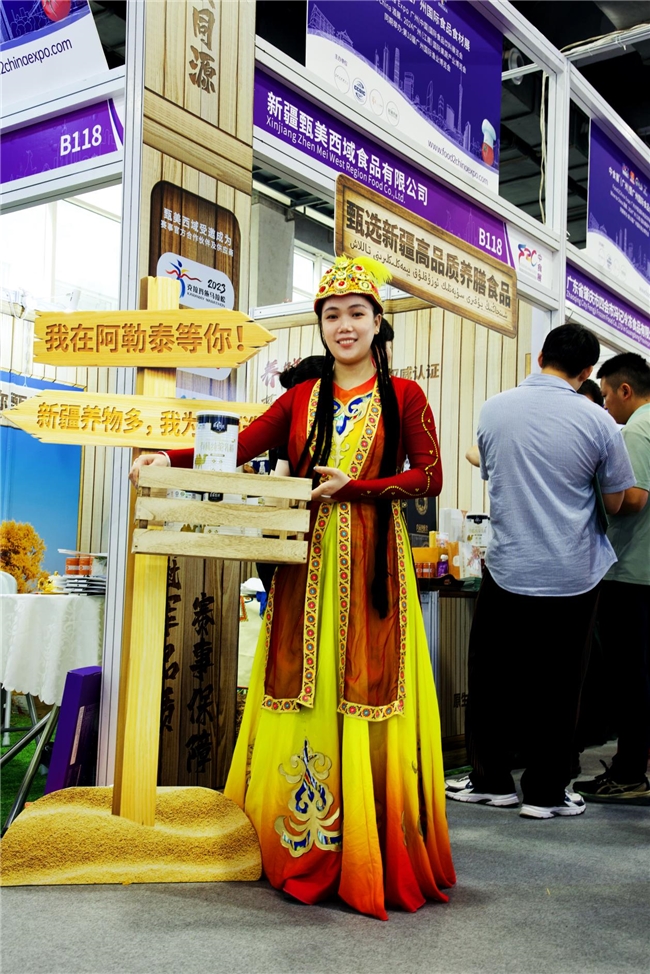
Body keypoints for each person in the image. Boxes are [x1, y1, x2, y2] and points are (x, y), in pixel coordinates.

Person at [130, 257, 455, 919]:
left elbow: (430, 476)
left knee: (367, 686)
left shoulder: (405, 396)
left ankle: (368, 846)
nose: (344, 326)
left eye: (357, 313)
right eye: (332, 316)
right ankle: (294, 843)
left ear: (378, 322)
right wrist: (172, 458)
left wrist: (358, 488)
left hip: (373, 568)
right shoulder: (301, 398)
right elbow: (242, 444)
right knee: (298, 683)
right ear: (321, 325)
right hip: (302, 563)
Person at [445, 323, 636, 820]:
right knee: (561, 684)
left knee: (492, 678)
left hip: (508, 565)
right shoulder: (598, 422)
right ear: (587, 371)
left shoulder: (494, 408)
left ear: (540, 358)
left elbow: (491, 471)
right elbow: (617, 502)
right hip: (574, 572)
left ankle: (490, 781)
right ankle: (547, 793)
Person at [573, 352, 650, 804]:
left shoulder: (638, 428)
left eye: (605, 396)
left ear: (625, 390)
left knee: (630, 677)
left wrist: (591, 497)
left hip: (632, 572)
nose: (605, 407)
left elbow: (634, 498)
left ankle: (628, 774)